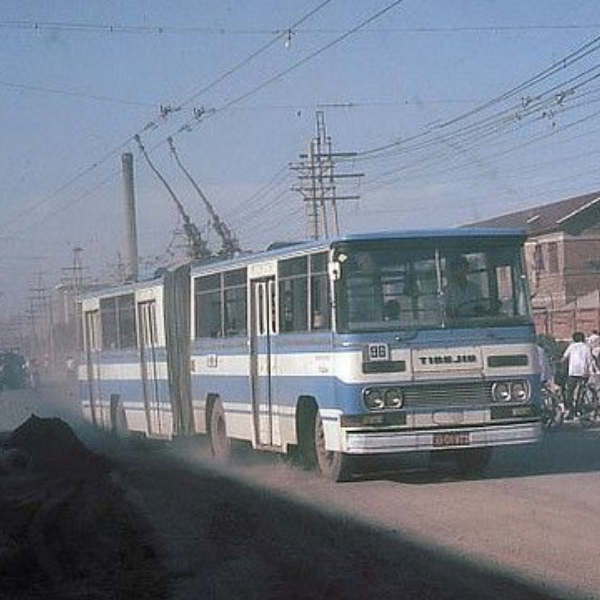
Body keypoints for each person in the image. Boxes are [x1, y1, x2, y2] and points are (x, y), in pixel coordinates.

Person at [562, 331, 596, 419]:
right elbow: (590, 360)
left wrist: (560, 364)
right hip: (584, 372)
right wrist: (592, 371)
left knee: (569, 391)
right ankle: (580, 404)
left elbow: (565, 357)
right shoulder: (586, 347)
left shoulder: (572, 346)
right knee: (581, 389)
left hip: (573, 371)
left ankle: (571, 409)